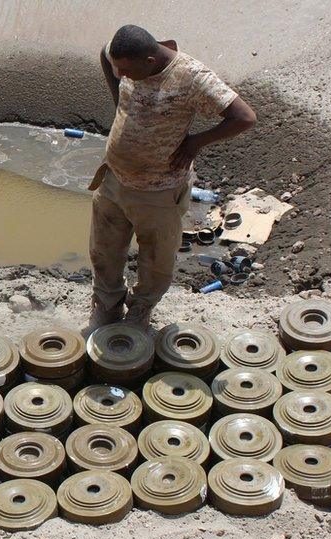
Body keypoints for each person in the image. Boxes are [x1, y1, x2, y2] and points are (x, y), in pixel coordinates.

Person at [88, 24, 256, 328]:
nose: (121, 76)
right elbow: (105, 54)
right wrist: (119, 106)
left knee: (155, 260)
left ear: (149, 62)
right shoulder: (124, 55)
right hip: (114, 178)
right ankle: (107, 305)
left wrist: (195, 143)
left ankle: (140, 310)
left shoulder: (191, 77)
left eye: (126, 71)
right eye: (118, 69)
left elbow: (244, 118)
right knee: (104, 250)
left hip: (158, 189)